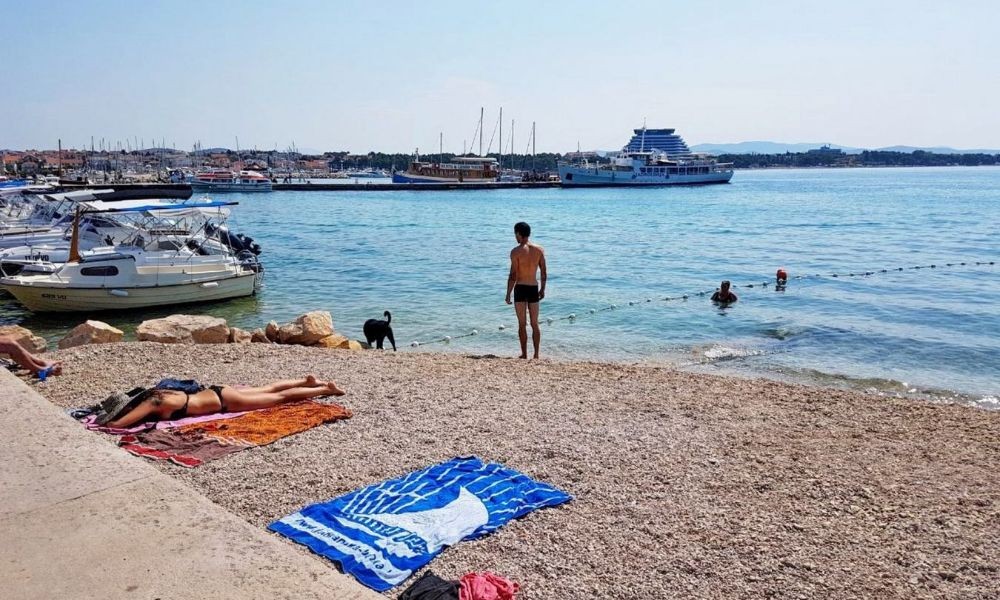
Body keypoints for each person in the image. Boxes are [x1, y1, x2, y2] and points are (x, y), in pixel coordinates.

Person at [103, 375, 344, 429]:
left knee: (277, 399)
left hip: (225, 403)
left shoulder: (154, 403)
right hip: (218, 391)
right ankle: (307, 381)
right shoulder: (159, 393)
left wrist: (108, 420)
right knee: (268, 388)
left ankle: (325, 389)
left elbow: (116, 427)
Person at [505, 221, 547, 359]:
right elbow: (543, 273)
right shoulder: (539, 250)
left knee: (522, 324)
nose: (515, 237)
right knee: (535, 323)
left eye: (515, 234)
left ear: (518, 233)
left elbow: (513, 275)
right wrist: (542, 289)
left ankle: (524, 354)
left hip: (520, 288)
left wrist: (508, 294)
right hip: (533, 287)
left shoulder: (515, 252)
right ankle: (536, 355)